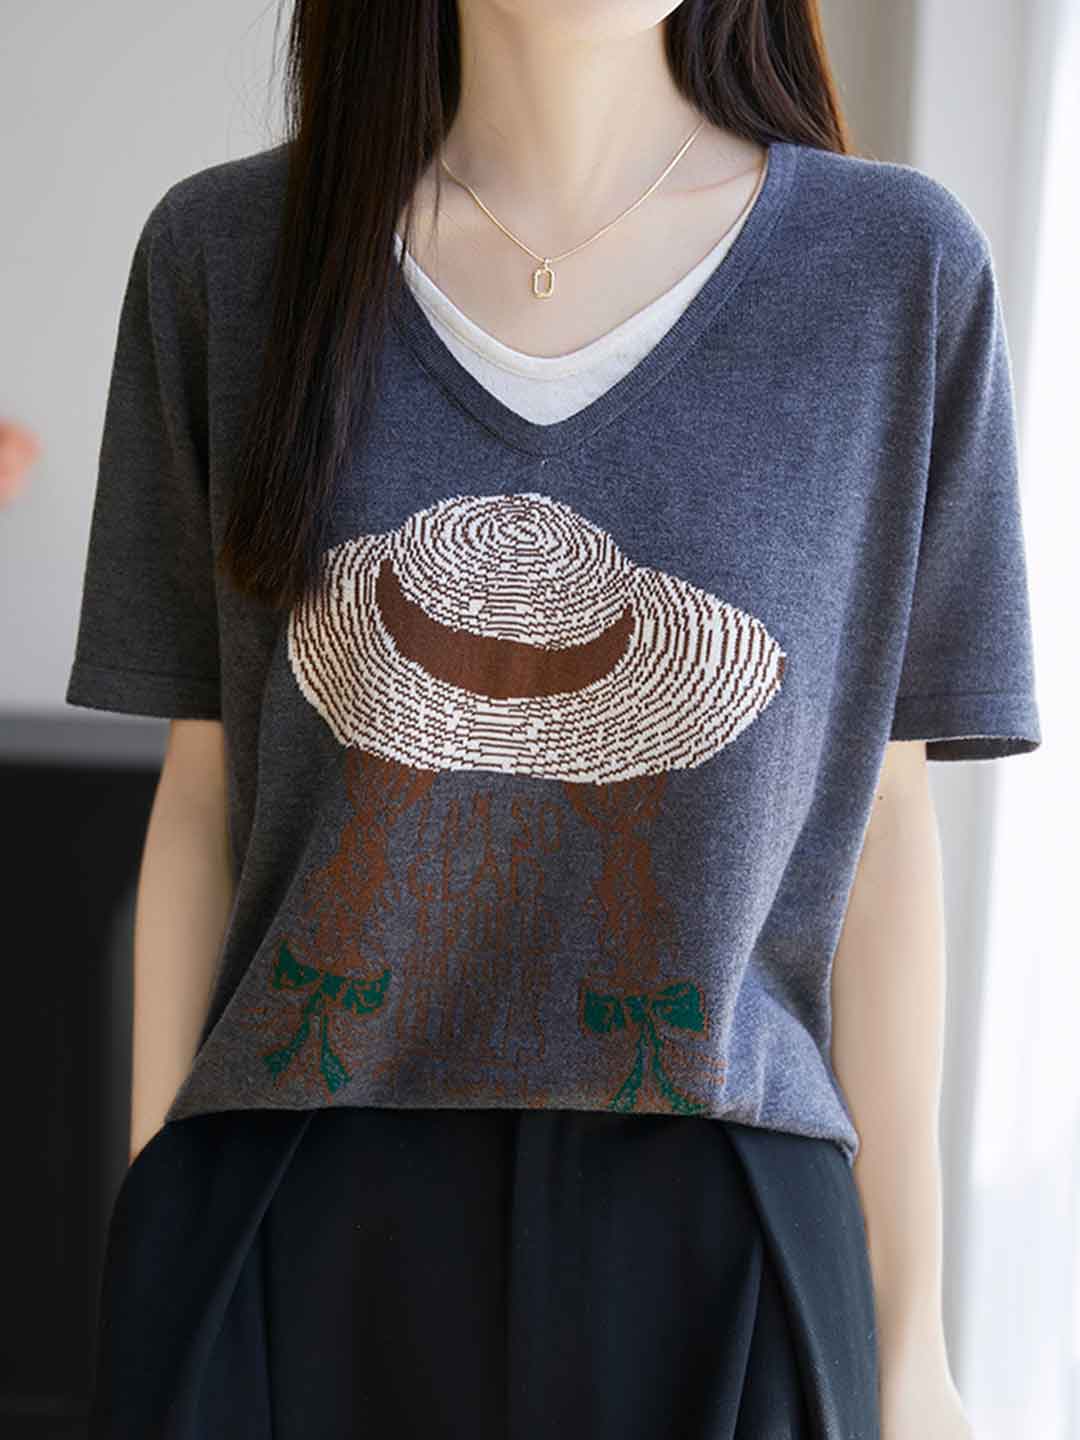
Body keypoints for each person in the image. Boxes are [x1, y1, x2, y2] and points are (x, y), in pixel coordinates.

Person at [65, 1, 1042, 1437]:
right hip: (293, 1217)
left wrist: (913, 1355)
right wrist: (156, 1269)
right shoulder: (224, 257)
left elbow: (884, 828)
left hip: (724, 1229)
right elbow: (204, 795)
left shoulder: (896, 272)